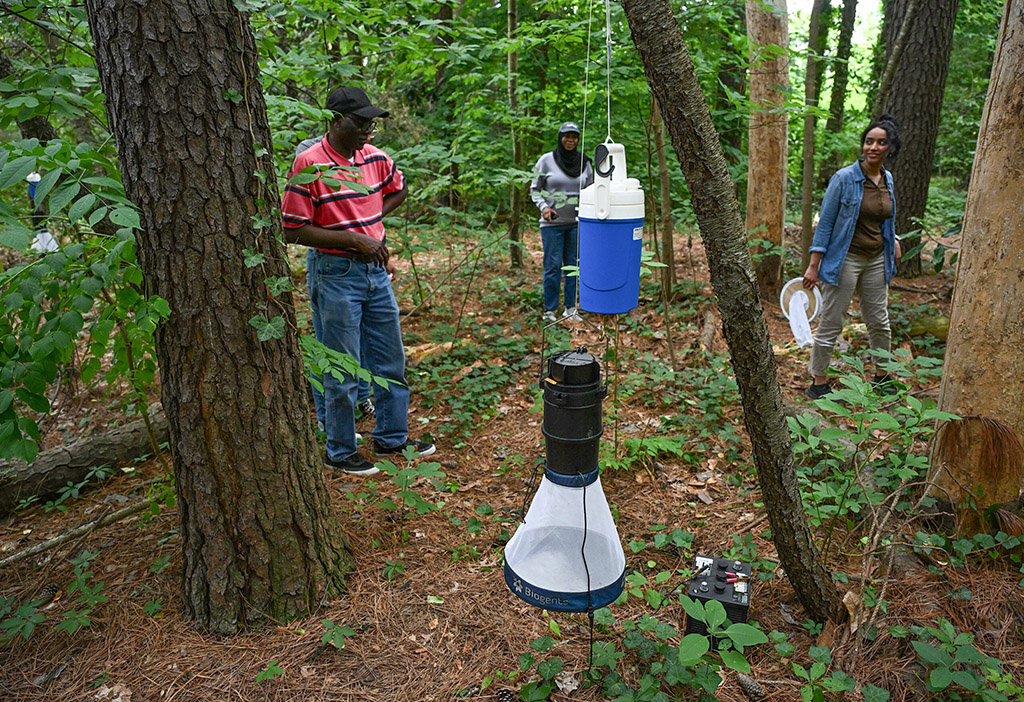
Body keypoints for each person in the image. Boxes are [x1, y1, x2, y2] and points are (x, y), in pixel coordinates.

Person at [281, 86, 434, 475]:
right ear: (334, 121)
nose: (368, 130)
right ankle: (340, 449)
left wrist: (371, 225)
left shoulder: (376, 159)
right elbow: (293, 229)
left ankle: (391, 438)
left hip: (376, 272)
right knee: (343, 366)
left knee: (389, 359)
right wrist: (353, 238)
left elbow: (397, 190)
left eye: (372, 124)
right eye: (360, 122)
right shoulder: (309, 164)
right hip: (335, 273)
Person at [802, 114, 903, 400]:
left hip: (875, 259)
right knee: (833, 320)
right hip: (845, 258)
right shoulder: (844, 178)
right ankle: (818, 383)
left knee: (879, 322)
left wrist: (893, 239)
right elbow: (826, 223)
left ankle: (882, 377)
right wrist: (813, 265)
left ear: (890, 148)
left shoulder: (888, 179)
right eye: (869, 141)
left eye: (881, 143)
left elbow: (886, 216)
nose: (873, 147)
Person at [295, 136, 375, 427]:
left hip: (362, 262)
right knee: (330, 347)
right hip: (329, 263)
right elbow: (299, 224)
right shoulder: (308, 157)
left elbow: (365, 213)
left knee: (361, 339)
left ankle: (362, 397)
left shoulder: (361, 157)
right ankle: (329, 421)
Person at [530, 122, 594, 323]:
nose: (570, 140)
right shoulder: (546, 161)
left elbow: (592, 189)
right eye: (567, 136)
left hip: (577, 222)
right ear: (560, 137)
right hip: (552, 224)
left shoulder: (585, 161)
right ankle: (549, 310)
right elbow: (535, 188)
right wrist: (544, 207)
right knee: (553, 266)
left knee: (574, 266)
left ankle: (570, 308)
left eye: (574, 137)